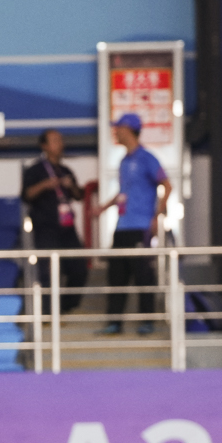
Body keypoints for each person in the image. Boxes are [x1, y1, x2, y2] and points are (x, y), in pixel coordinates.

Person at [94, 113, 170, 337]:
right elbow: (123, 193)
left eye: (118, 128)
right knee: (116, 276)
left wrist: (156, 216)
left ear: (129, 129)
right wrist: (103, 208)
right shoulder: (123, 161)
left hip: (140, 227)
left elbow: (167, 185)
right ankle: (114, 323)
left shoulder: (147, 158)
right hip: (121, 227)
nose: (115, 132)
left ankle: (147, 321)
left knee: (143, 276)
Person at [24, 128, 87, 314]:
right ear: (44, 146)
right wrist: (45, 185)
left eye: (61, 140)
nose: (60, 144)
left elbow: (78, 195)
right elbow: (26, 195)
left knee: (79, 268)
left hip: (67, 228)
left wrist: (71, 186)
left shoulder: (66, 170)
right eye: (55, 141)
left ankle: (66, 306)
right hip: (46, 228)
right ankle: (47, 311)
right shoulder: (35, 170)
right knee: (48, 271)